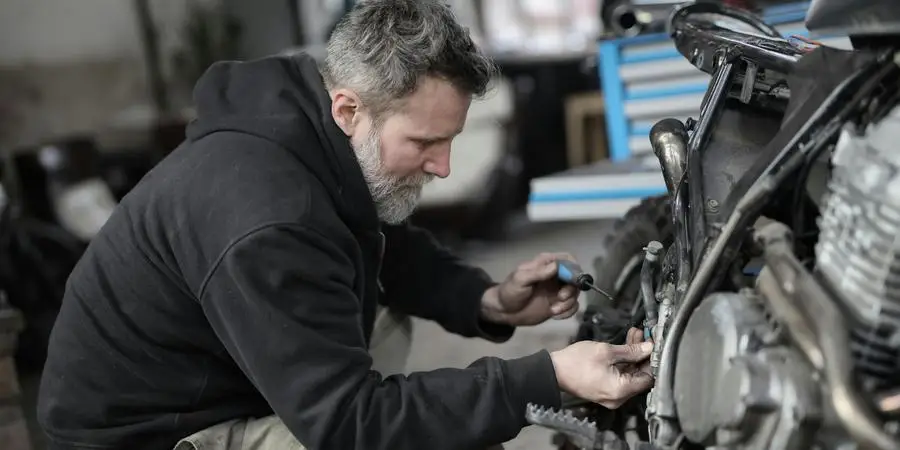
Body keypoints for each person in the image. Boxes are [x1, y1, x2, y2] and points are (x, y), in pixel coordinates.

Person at [36, 1, 654, 449]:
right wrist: (543, 378)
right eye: (425, 142)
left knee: (391, 307)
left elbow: (383, 240)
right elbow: (351, 425)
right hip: (149, 435)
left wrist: (487, 300)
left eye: (450, 142)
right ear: (349, 107)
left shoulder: (308, 130)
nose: (441, 167)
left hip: (211, 375)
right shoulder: (269, 220)